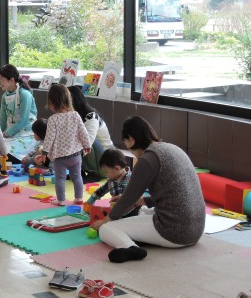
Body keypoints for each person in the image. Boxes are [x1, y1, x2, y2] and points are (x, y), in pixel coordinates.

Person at [91, 116, 206, 263]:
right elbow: (174, 192)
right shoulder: (172, 148)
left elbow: (128, 198)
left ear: (131, 139)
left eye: (125, 142)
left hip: (175, 232)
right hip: (197, 228)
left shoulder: (147, 160)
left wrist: (105, 221)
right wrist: (142, 201)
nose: (127, 147)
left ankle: (130, 247)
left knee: (107, 229)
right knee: (141, 212)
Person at [36, 84, 91, 206]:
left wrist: (45, 153)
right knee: (77, 177)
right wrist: (87, 145)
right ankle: (79, 198)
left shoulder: (53, 119)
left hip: (60, 157)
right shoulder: (75, 115)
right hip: (75, 154)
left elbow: (49, 138)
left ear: (51, 102)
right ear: (68, 99)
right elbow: (83, 132)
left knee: (60, 179)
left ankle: (61, 200)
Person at [68, 86, 114, 181]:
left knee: (85, 139)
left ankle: (94, 173)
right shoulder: (73, 117)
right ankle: (82, 171)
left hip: (107, 165)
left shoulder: (91, 117)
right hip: (94, 160)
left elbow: (88, 143)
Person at [86, 149, 140, 218]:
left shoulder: (132, 179)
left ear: (117, 168)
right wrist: (90, 201)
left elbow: (133, 198)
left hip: (131, 211)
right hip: (116, 209)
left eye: (106, 172)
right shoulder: (111, 180)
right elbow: (101, 190)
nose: (106, 175)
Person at [0, 64, 37, 138]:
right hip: (11, 128)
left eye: (1, 79)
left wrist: (6, 134)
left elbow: (24, 120)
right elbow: (3, 119)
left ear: (11, 80)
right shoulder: (4, 96)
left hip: (26, 131)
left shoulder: (25, 95)